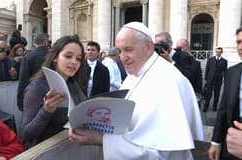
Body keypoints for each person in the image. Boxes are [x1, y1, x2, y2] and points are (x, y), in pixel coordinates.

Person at [69, 22, 204, 160]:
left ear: (149, 47)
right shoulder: (135, 74)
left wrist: (102, 140)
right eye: (120, 51)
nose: (122, 57)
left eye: (128, 49)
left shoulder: (169, 81)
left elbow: (162, 154)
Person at [22, 35, 87, 149]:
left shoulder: (74, 84)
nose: (74, 62)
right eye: (68, 56)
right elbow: (27, 134)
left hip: (71, 150)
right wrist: (46, 111)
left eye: (78, 59)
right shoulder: (37, 87)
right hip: (46, 152)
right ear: (55, 57)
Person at [208, 26, 242, 160]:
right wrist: (215, 142)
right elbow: (223, 110)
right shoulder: (232, 72)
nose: (240, 47)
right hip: (230, 140)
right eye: (238, 42)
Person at [17, 33, 49, 111]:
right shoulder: (54, 56)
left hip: (32, 95)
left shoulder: (28, 57)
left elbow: (23, 80)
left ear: (34, 43)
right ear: (46, 42)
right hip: (51, 96)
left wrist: (20, 101)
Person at [203, 47, 228, 112]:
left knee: (217, 94)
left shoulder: (224, 61)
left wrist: (226, 81)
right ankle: (205, 107)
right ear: (215, 52)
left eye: (219, 52)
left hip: (218, 80)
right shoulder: (210, 59)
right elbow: (207, 69)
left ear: (221, 52)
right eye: (217, 52)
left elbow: (225, 71)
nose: (218, 53)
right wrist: (206, 78)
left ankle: (215, 107)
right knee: (208, 94)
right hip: (210, 79)